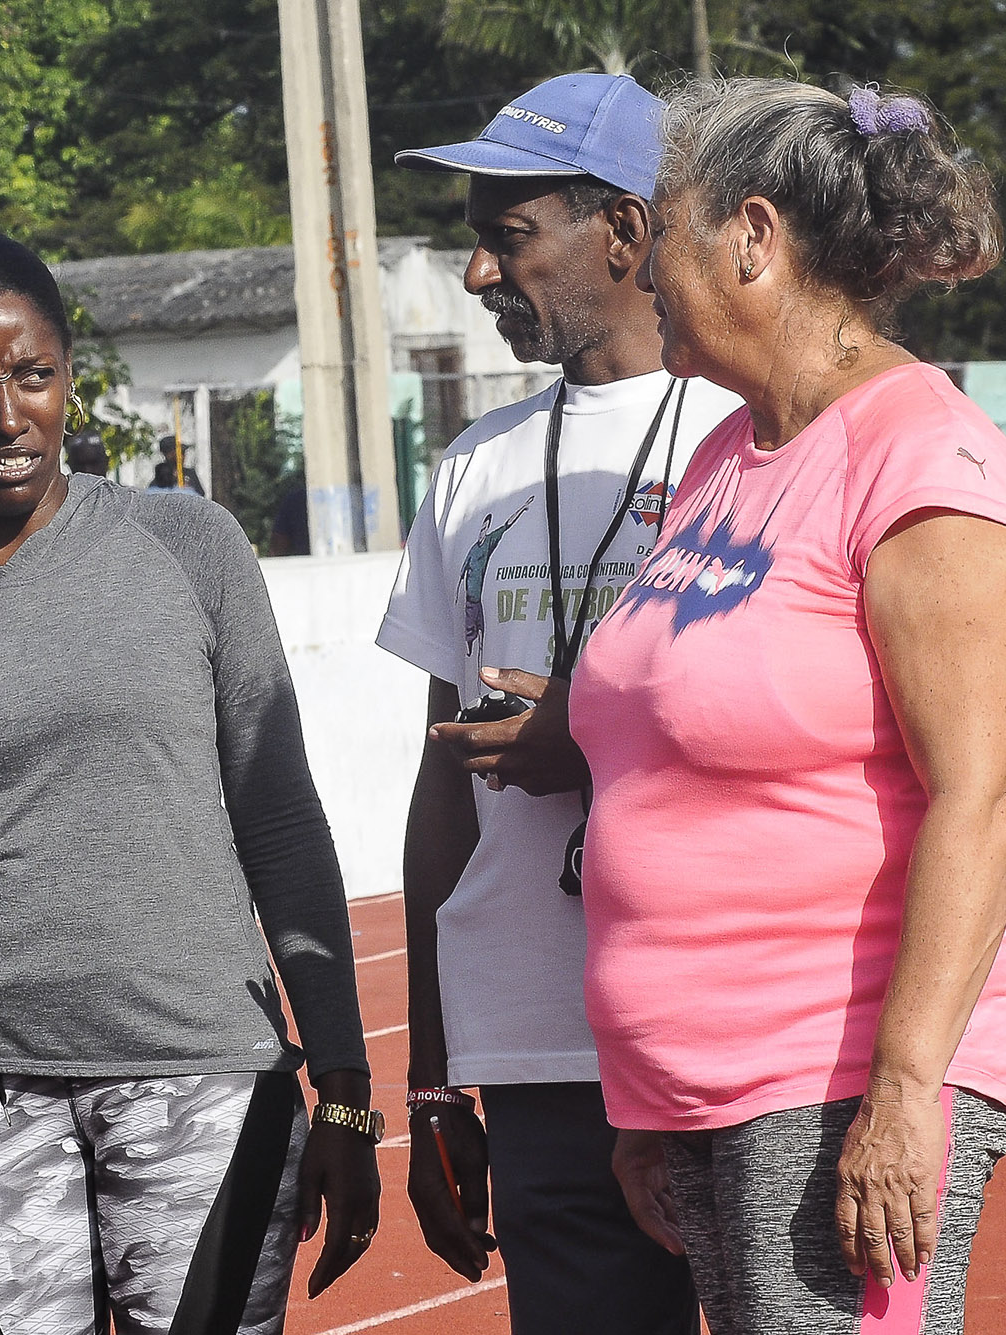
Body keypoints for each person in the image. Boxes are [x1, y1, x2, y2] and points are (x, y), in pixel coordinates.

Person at [0, 229, 380, 1334]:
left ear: (68, 377)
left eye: (33, 375)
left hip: (204, 1078)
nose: (9, 417)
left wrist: (348, 1091)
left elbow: (279, 822)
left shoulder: (189, 545)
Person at [575, 79, 1006, 1333]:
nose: (644, 274)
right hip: (710, 1088)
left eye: (659, 236)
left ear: (751, 237)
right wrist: (645, 1104)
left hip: (837, 1067)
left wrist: (905, 1091)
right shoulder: (727, 456)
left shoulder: (927, 466)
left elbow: (988, 791)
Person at [378, 72, 732, 1334]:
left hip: (735, 1033)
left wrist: (589, 730)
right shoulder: (473, 465)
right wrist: (431, 1083)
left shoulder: (753, 437)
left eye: (508, 235)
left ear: (628, 233)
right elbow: (439, 785)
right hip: (536, 1047)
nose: (477, 273)